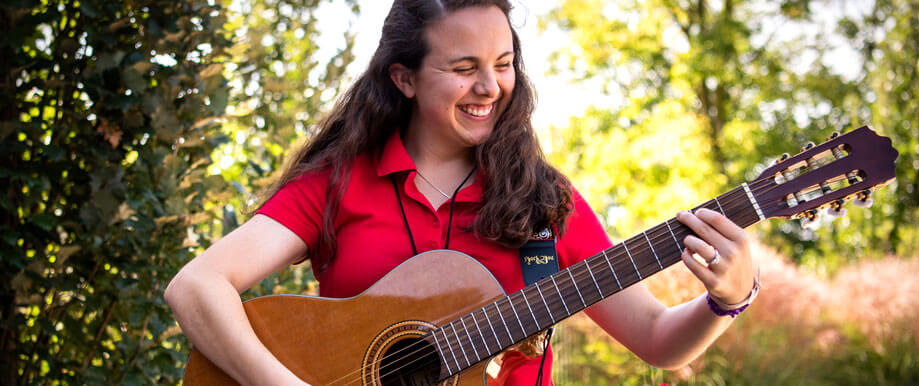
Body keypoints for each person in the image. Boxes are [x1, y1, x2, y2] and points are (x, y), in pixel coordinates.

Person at [164, 0, 759, 385]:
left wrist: (727, 300)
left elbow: (657, 339)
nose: (490, 86)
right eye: (463, 67)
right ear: (404, 78)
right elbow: (196, 286)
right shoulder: (339, 183)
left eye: (503, 64)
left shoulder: (543, 200)